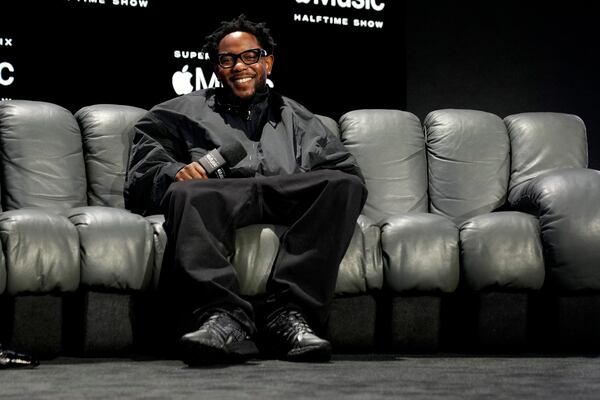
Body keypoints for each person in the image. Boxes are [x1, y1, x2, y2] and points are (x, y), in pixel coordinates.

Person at [124, 14, 367, 365]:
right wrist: (178, 171)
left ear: (267, 61)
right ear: (217, 68)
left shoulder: (297, 117)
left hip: (284, 195)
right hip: (222, 195)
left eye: (250, 56)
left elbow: (341, 169)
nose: (240, 66)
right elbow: (145, 165)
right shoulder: (181, 112)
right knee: (184, 193)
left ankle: (288, 315)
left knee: (344, 185)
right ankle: (224, 318)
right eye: (227, 59)